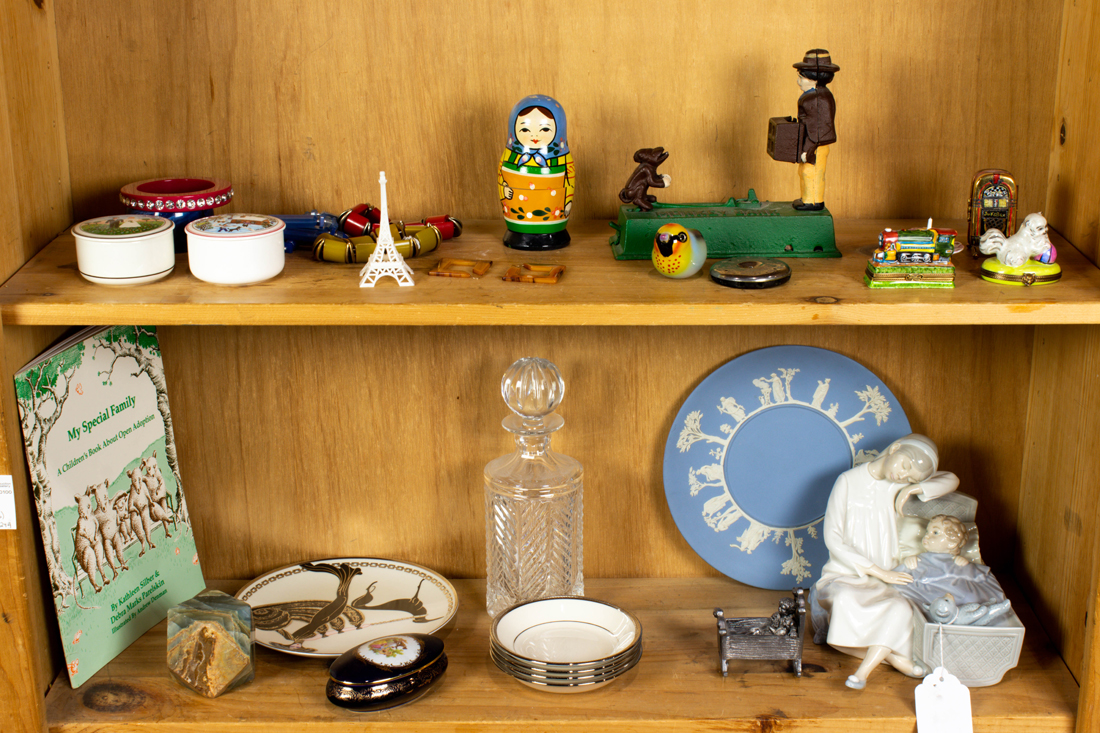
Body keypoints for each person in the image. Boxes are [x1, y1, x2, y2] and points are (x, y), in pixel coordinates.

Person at [811, 434, 959, 689]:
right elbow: (833, 538)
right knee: (846, 601)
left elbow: (952, 479)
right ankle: (895, 658)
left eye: (910, 477)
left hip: (888, 578)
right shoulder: (847, 481)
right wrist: (877, 571)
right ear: (896, 448)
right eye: (904, 467)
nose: (903, 476)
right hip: (846, 575)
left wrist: (915, 489)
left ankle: (866, 669)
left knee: (901, 609)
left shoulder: (896, 487)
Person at [793, 49, 839, 212]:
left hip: (815, 144)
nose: (799, 82)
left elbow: (818, 128)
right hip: (811, 142)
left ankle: (813, 201)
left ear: (814, 79)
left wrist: (808, 149)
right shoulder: (815, 96)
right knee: (806, 171)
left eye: (801, 78)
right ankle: (808, 198)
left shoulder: (817, 98)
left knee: (811, 172)